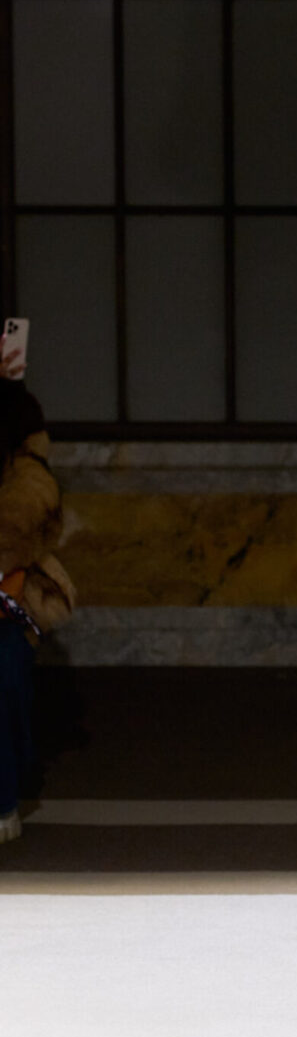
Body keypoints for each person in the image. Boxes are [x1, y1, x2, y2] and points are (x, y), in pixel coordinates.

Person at [0, 334, 77, 841]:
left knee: (5, 679)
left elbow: (23, 515)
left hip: (8, 602)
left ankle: (4, 797)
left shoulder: (24, 459)